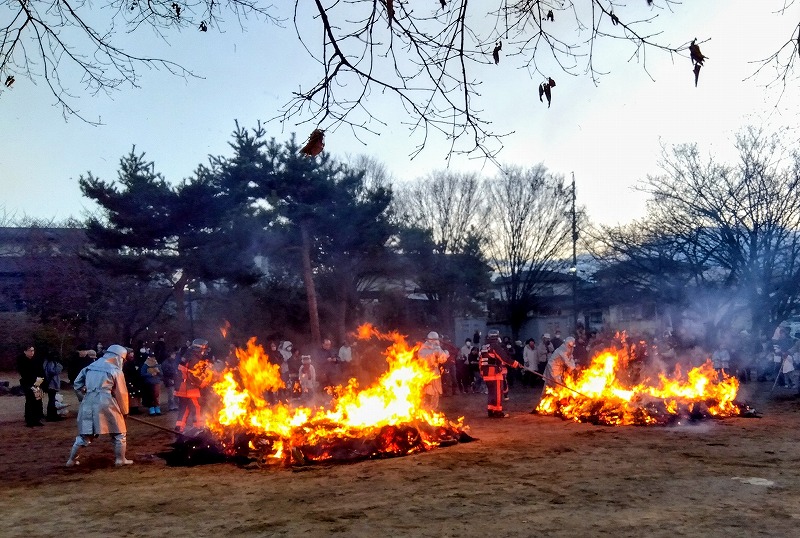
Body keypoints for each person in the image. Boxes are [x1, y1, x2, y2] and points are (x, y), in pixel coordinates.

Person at [66, 344, 133, 466]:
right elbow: (121, 393)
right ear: (118, 357)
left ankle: (71, 460)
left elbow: (77, 384)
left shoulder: (90, 366)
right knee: (119, 433)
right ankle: (120, 459)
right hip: (106, 402)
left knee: (85, 435)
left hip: (88, 401)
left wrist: (84, 397)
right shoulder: (115, 370)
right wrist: (124, 411)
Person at [479, 330, 522, 418]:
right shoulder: (495, 346)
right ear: (496, 337)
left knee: (491, 393)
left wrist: (482, 372)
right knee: (497, 393)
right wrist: (516, 364)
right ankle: (498, 412)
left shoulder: (484, 347)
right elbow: (504, 358)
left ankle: (491, 410)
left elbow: (480, 361)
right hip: (495, 373)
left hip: (486, 373)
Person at [174, 338, 212, 433]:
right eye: (203, 350)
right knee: (196, 407)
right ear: (199, 349)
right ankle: (199, 428)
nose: (204, 352)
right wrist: (202, 383)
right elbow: (193, 375)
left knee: (184, 408)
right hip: (189, 388)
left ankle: (179, 427)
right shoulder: (194, 359)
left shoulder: (187, 356)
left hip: (181, 386)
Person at [418, 331, 449, 410]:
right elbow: (443, 359)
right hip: (433, 373)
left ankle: (425, 408)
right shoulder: (436, 348)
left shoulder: (422, 348)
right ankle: (431, 408)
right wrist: (446, 353)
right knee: (434, 391)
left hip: (423, 373)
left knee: (425, 390)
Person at [17, 344, 44, 427]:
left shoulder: (37, 360)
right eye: (30, 350)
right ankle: (29, 420)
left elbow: (41, 370)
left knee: (38, 400)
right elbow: (24, 373)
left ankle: (37, 419)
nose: (32, 352)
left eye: (33, 350)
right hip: (28, 383)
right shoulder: (21, 361)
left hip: (38, 383)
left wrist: (40, 379)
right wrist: (34, 379)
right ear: (25, 352)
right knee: (30, 401)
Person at [43, 354, 65, 421]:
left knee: (51, 399)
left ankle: (52, 415)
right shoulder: (51, 363)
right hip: (52, 383)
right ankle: (51, 416)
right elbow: (52, 371)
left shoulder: (46, 362)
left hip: (49, 383)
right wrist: (60, 366)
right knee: (52, 400)